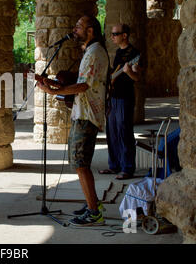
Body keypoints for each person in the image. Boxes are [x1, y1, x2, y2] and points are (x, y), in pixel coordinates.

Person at [36, 15, 109, 226]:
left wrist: (50, 90)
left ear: (91, 31)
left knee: (80, 163)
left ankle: (94, 212)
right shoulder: (90, 51)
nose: (74, 29)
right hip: (82, 112)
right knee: (79, 162)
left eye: (79, 26)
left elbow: (83, 86)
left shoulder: (95, 52)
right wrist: (51, 83)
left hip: (87, 115)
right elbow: (79, 83)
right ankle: (93, 203)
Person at [100, 24, 141, 180]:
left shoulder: (135, 53)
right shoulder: (118, 53)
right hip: (113, 96)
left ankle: (127, 168)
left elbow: (137, 77)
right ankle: (114, 165)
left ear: (124, 35)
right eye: (111, 34)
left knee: (124, 132)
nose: (112, 37)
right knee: (112, 133)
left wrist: (129, 71)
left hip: (125, 97)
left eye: (115, 34)